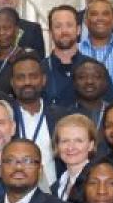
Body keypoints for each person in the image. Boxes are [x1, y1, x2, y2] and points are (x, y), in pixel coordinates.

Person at [9, 52, 69, 184]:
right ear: (12, 83)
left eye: (33, 76)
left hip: (54, 196)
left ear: (43, 80)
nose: (27, 82)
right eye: (20, 77)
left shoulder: (62, 117)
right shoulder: (4, 117)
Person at [44, 5, 85, 108]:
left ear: (78, 30)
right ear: (50, 32)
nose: (64, 31)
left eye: (69, 25)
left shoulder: (95, 69)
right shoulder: (39, 70)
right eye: (58, 26)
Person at [53, 114, 98, 200]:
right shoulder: (56, 186)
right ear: (57, 146)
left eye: (78, 141)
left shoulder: (98, 182)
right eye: (65, 141)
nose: (70, 147)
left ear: (91, 145)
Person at [69, 58, 113, 129]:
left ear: (105, 82)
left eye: (96, 77)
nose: (89, 81)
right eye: (82, 77)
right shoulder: (65, 115)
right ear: (74, 83)